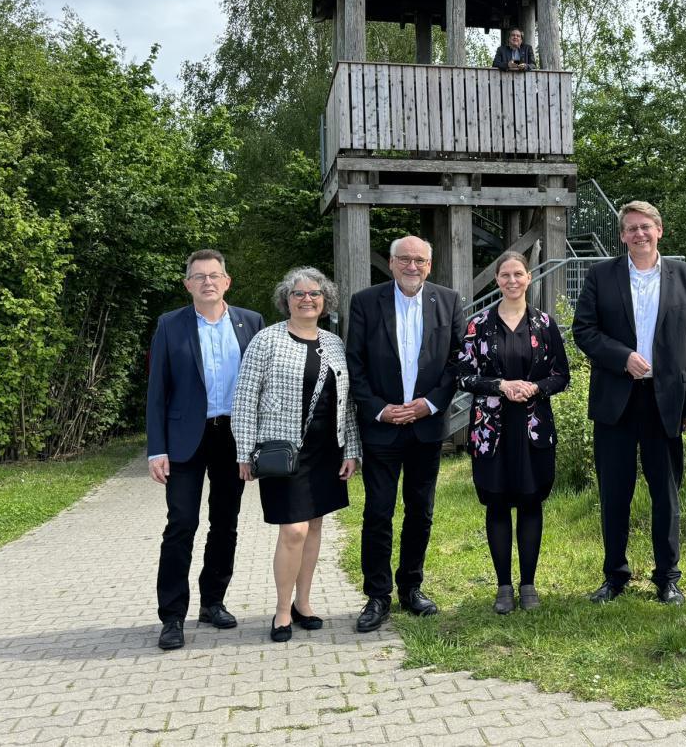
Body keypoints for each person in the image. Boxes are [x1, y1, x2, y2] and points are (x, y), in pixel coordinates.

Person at [572, 201, 686, 605]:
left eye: (645, 226)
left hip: (665, 402)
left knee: (666, 495)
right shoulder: (601, 275)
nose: (639, 234)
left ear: (659, 230)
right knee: (615, 494)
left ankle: (668, 578)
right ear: (622, 236)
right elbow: (584, 330)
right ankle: (615, 576)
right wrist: (622, 357)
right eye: (631, 228)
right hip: (616, 399)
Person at [232, 267, 360, 642]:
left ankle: (304, 603)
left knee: (315, 527)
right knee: (293, 530)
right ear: (286, 300)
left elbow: (347, 403)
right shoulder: (266, 340)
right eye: (298, 293)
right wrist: (244, 451)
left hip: (326, 449)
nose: (307, 299)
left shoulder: (334, 343)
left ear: (325, 300)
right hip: (282, 452)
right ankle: (282, 610)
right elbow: (245, 397)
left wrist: (351, 449)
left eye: (314, 293)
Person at [147, 249, 264, 651]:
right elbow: (157, 391)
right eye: (199, 277)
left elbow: (262, 386)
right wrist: (156, 449)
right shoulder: (170, 325)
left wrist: (257, 443)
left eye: (214, 275)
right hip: (185, 440)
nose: (208, 282)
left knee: (225, 523)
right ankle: (172, 616)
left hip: (233, 437)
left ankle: (213, 602)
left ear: (227, 282)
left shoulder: (251, 322)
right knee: (181, 524)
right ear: (188, 285)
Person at [345, 235, 463, 632]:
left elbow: (457, 361)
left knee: (420, 512)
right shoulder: (365, 302)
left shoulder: (449, 301)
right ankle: (377, 596)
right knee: (378, 512)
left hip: (426, 428)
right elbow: (355, 363)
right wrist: (380, 409)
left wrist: (430, 403)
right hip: (382, 428)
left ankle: (411, 588)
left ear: (430, 264)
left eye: (420, 260)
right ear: (392, 263)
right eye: (405, 259)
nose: (412, 266)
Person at [456, 252, 570, 613]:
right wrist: (501, 385)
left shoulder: (544, 323)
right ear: (496, 280)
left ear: (529, 277)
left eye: (518, 274)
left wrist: (534, 388)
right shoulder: (478, 325)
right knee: (497, 503)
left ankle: (528, 585)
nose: (512, 280)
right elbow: (463, 376)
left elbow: (561, 375)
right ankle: (504, 586)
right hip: (491, 431)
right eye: (505, 275)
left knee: (531, 502)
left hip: (533, 428)